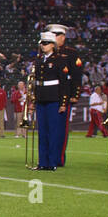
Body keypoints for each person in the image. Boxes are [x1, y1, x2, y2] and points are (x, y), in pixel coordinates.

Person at [32, 32, 71, 171]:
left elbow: (64, 84)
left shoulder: (59, 60)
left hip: (54, 98)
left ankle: (52, 161)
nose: (43, 46)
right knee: (42, 132)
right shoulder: (38, 61)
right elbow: (36, 82)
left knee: (53, 131)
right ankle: (42, 162)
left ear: (53, 45)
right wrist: (33, 100)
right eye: (42, 43)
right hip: (41, 98)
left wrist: (63, 103)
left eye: (46, 43)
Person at [47, 24, 83, 167]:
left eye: (56, 36)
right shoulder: (45, 54)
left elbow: (76, 75)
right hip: (48, 93)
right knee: (48, 127)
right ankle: (48, 156)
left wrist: (75, 94)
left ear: (62, 37)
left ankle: (58, 157)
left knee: (61, 128)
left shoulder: (71, 53)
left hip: (64, 93)